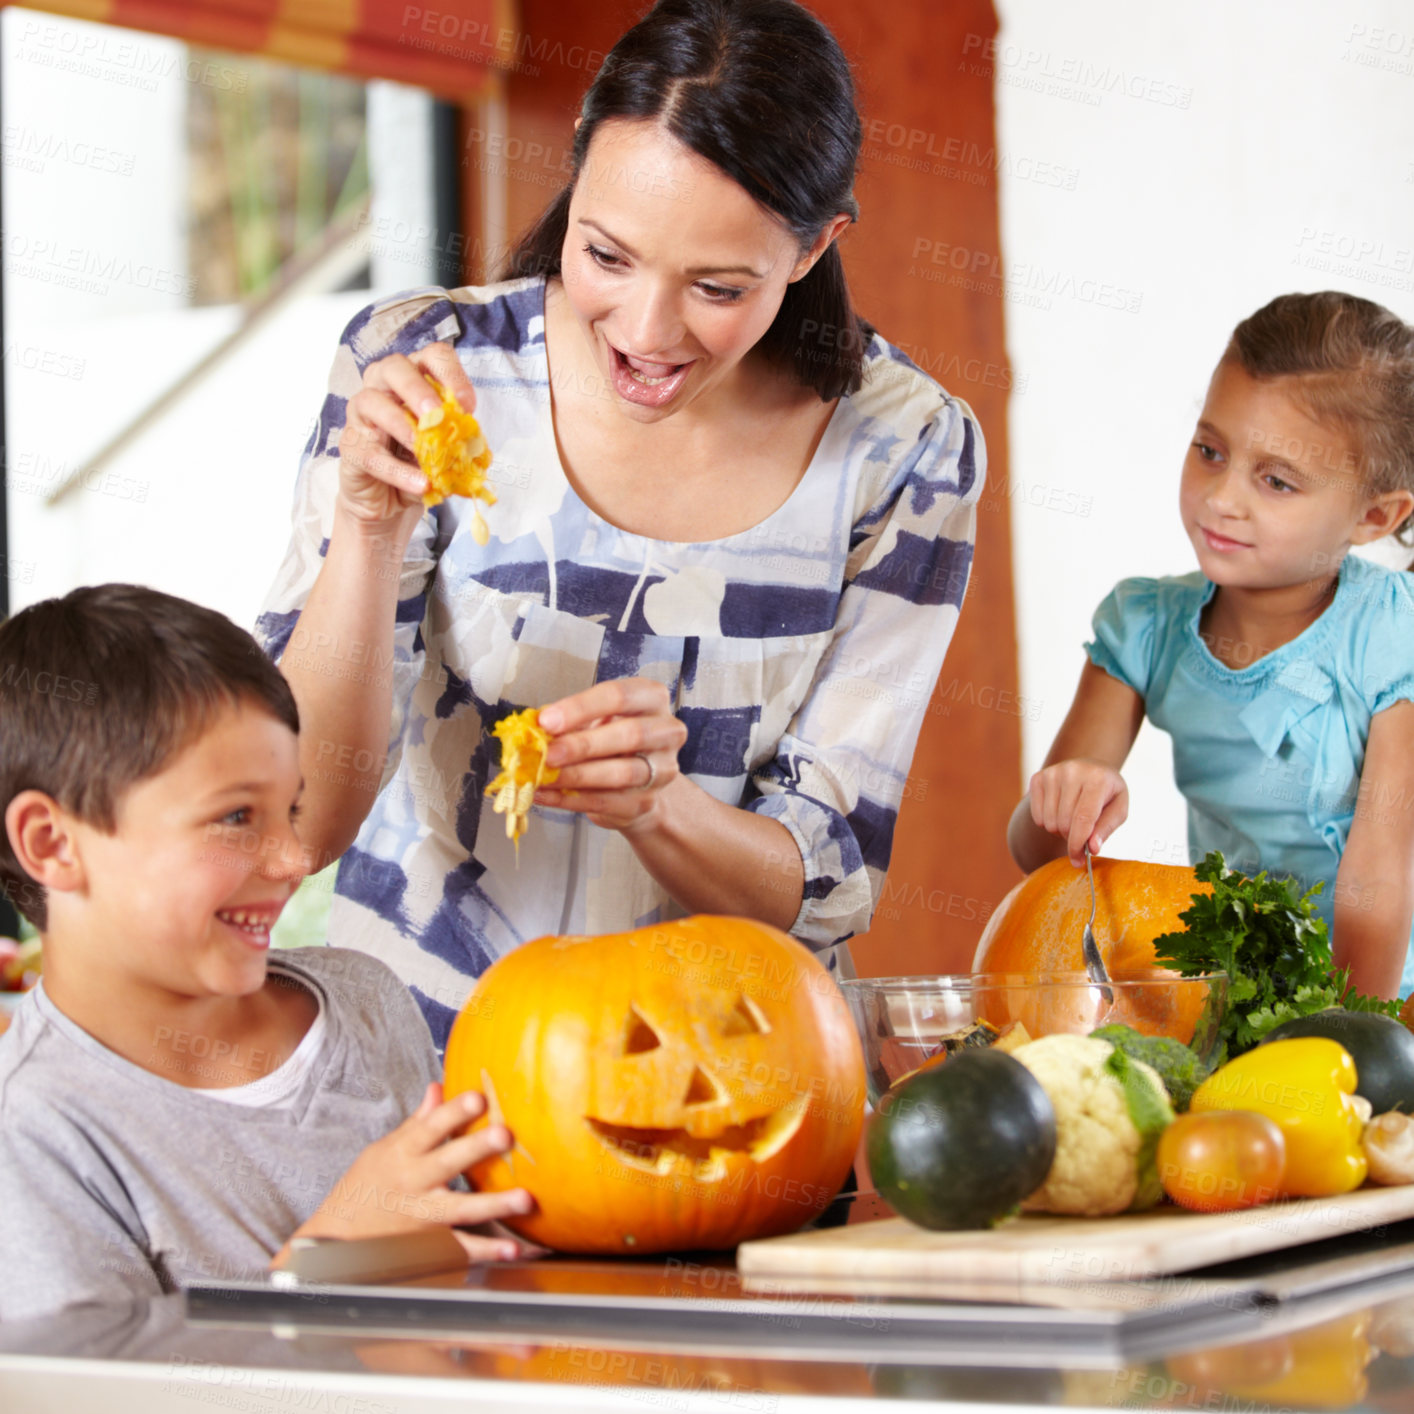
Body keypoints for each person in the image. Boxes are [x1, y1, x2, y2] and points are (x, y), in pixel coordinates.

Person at [257, 0, 984, 1047]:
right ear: (577, 178)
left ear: (816, 245)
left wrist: (660, 806)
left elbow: (827, 881)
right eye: (605, 256)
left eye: (718, 287)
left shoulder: (904, 449)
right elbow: (296, 819)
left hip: (734, 1074)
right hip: (420, 1074)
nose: (645, 332)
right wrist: (368, 529)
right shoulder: (421, 370)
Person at [0, 586, 535, 1320]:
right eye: (236, 817)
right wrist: (321, 1270)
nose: (292, 857)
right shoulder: (30, 1133)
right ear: (53, 844)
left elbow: (483, 1266)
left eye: (291, 808)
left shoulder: (364, 997)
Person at [1008, 292, 1414, 999]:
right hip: (1239, 994)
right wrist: (1063, 799)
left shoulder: (1391, 638)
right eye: (1210, 451)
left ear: (1375, 516)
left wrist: (1357, 1038)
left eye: (1277, 481)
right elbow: (1033, 854)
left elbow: (1381, 876)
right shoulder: (1145, 627)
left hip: (1385, 999)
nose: (1221, 498)